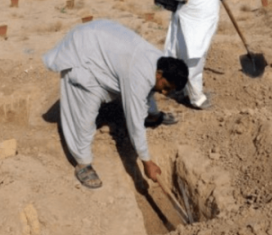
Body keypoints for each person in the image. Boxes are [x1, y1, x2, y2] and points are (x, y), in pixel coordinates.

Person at [42, 19, 188, 188]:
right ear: (160, 74)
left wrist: (153, 115)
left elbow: (148, 91)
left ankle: (150, 115)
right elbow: (134, 122)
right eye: (166, 87)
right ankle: (82, 163)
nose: (165, 93)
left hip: (100, 43)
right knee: (85, 114)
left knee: (139, 92)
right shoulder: (139, 73)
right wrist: (147, 161)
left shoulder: (158, 63)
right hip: (83, 56)